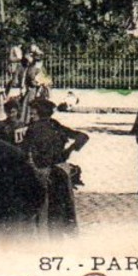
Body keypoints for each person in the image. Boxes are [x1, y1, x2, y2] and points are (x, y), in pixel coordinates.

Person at [21, 98, 90, 232]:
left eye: (33, 114)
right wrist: (68, 151)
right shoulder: (55, 125)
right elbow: (83, 136)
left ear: (39, 113)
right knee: (58, 209)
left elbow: (25, 152)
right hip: (60, 172)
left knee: (40, 210)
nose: (31, 116)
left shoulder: (33, 129)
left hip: (40, 173)